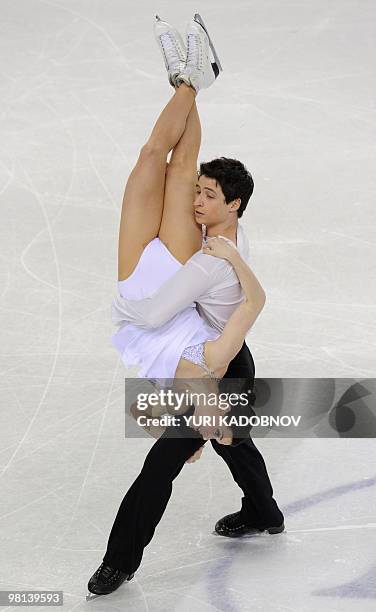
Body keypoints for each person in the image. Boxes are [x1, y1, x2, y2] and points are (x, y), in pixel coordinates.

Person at [87, 14, 284, 597]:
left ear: (236, 205)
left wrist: (203, 409)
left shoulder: (211, 259)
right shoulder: (212, 233)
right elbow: (186, 169)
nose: (199, 200)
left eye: (209, 195)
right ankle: (189, 79)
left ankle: (119, 562)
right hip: (180, 328)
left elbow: (167, 318)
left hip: (215, 358)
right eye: (199, 193)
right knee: (156, 159)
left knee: (171, 458)